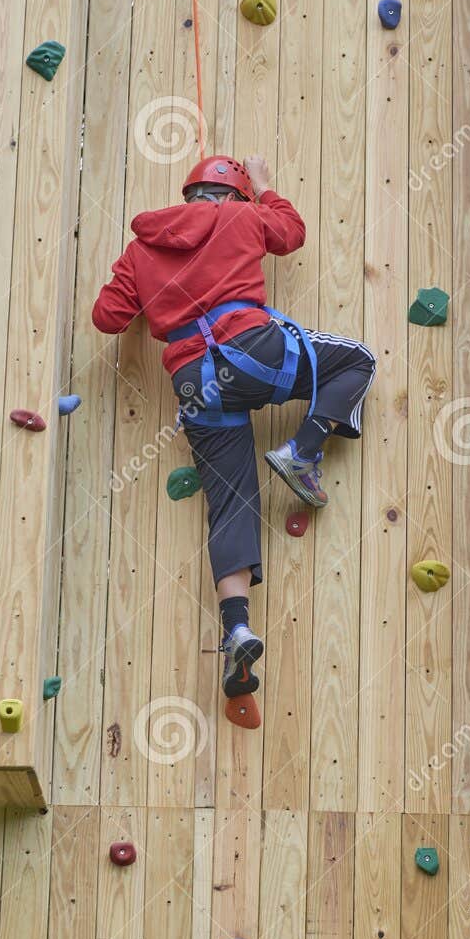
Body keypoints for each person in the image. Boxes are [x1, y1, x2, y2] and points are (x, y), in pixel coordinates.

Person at [93, 155, 375, 700]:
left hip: (195, 380)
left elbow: (108, 318)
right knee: (356, 360)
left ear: (189, 193)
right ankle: (303, 451)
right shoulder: (243, 217)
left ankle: (237, 629)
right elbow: (290, 234)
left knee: (232, 503)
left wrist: (148, 285)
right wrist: (267, 190)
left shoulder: (139, 249)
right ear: (235, 196)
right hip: (250, 351)